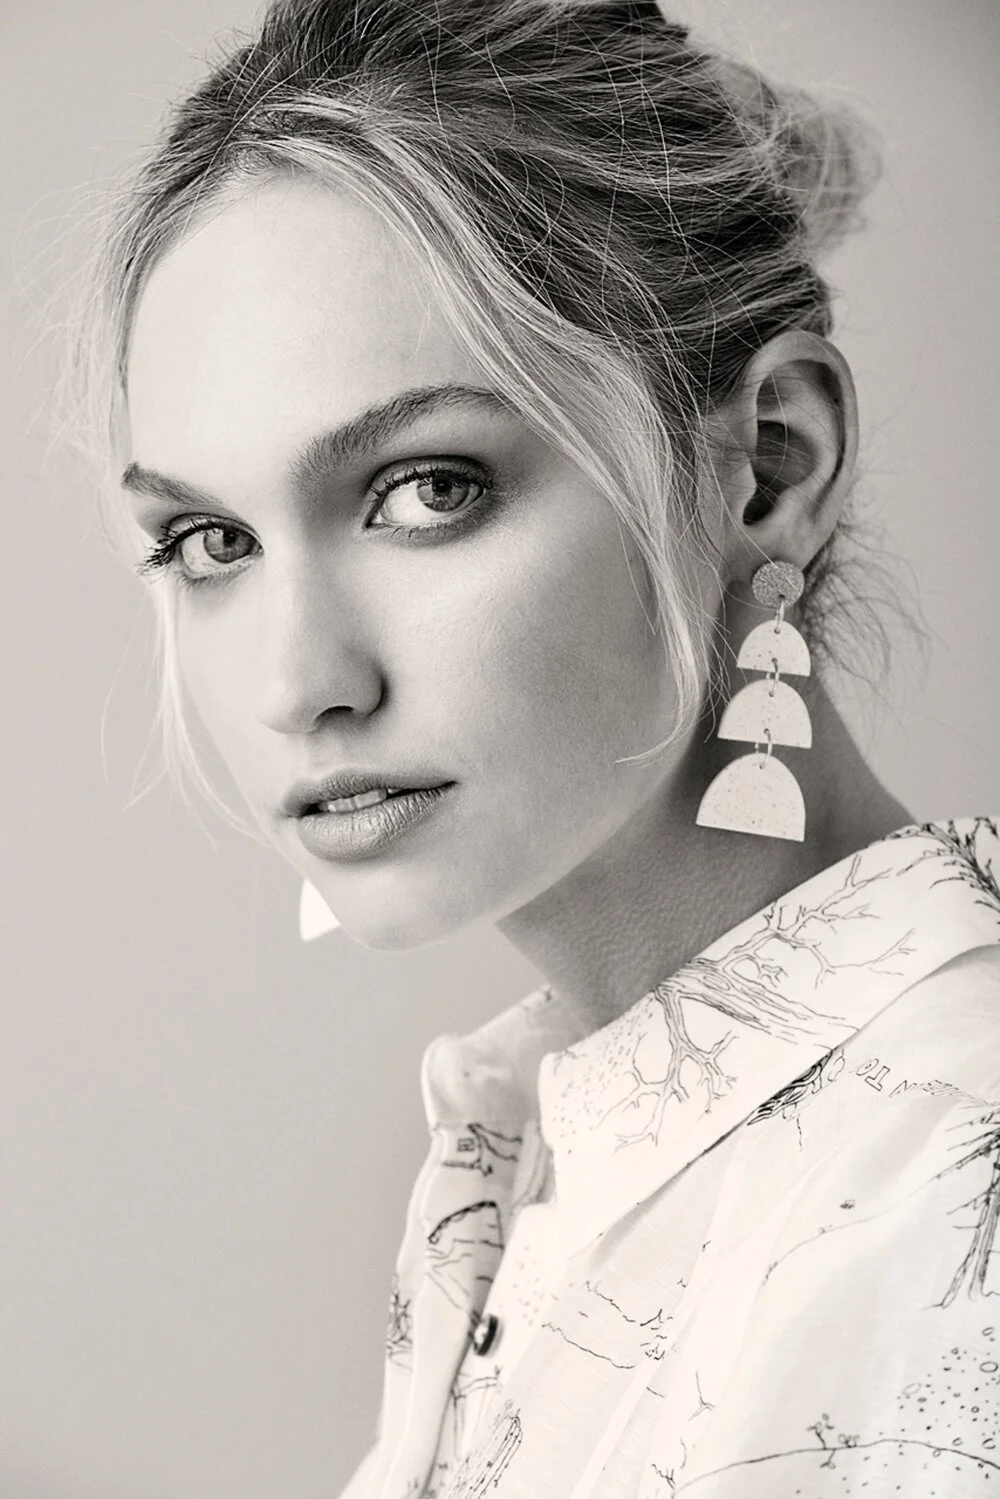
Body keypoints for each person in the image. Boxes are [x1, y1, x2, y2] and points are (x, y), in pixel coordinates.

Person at [73, 0, 1000, 1492]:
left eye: (425, 488)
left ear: (770, 468)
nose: (299, 682)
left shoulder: (955, 1182)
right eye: (210, 538)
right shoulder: (526, 1146)